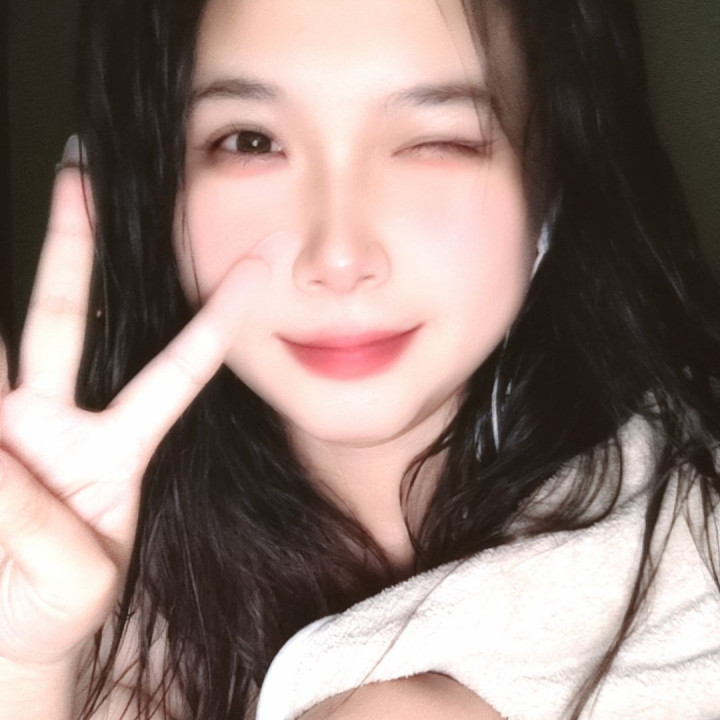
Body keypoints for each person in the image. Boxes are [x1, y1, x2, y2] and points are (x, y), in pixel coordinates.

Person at [1, 0, 719, 718]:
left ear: (551, 182)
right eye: (251, 142)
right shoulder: (100, 605)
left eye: (436, 142)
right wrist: (26, 671)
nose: (338, 257)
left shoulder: (694, 547)